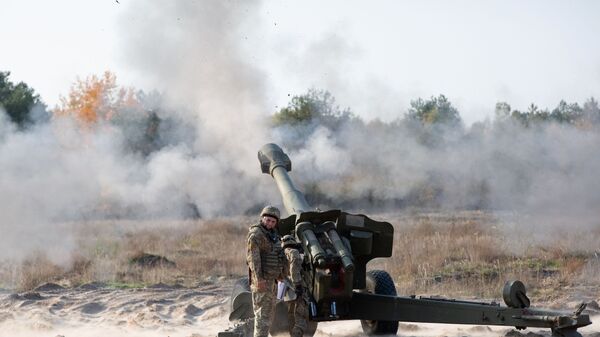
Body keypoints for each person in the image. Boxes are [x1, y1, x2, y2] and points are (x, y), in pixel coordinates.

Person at [247, 205, 284, 337]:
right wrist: (259, 279)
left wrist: (279, 275)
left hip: (271, 282)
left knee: (267, 318)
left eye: (273, 222)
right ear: (262, 218)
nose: (270, 224)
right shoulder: (256, 234)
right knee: (262, 319)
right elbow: (253, 259)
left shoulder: (272, 234)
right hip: (262, 282)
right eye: (267, 220)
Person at [281, 234, 309, 337]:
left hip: (287, 288)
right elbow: (294, 269)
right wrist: (298, 285)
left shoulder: (282, 253)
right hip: (296, 287)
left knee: (291, 314)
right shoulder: (294, 252)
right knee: (301, 316)